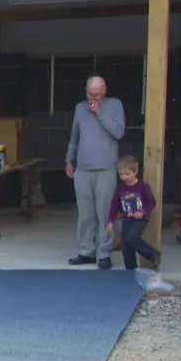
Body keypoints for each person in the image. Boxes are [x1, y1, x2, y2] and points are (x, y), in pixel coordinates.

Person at [65, 75, 126, 269]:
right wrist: (69, 159)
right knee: (85, 213)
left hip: (106, 168)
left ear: (105, 91)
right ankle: (87, 251)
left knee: (106, 213)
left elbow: (119, 132)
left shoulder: (115, 105)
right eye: (91, 94)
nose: (94, 98)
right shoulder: (79, 108)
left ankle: (105, 254)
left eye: (98, 94)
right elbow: (74, 137)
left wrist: (99, 113)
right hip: (82, 168)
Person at [105, 156, 161, 271]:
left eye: (127, 174)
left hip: (140, 219)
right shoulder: (120, 188)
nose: (123, 177)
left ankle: (152, 254)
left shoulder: (142, 186)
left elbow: (152, 202)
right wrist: (110, 221)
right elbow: (114, 205)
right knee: (126, 247)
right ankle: (131, 271)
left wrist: (143, 212)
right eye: (121, 174)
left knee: (132, 237)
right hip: (127, 220)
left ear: (135, 172)